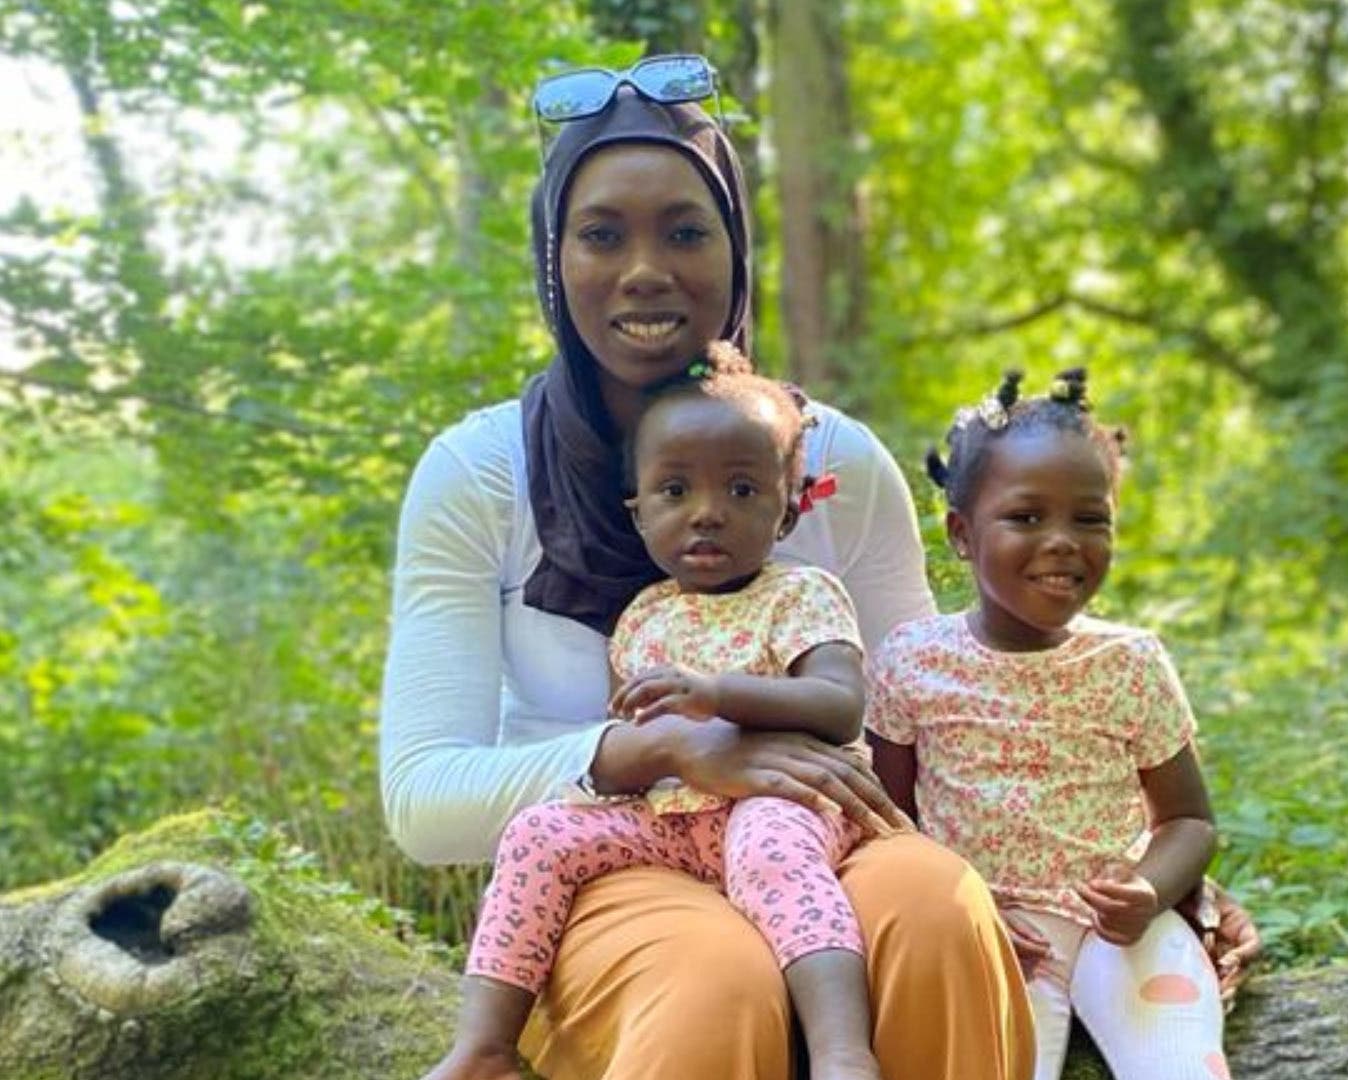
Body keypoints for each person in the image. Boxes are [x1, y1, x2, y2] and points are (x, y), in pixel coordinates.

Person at [379, 58, 1035, 1080]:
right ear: (555, 258)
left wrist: (1127, 891)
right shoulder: (480, 473)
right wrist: (669, 750)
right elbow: (424, 802)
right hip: (611, 867)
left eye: (686, 230)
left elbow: (932, 728)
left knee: (938, 909)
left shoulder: (834, 461)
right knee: (713, 979)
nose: (646, 268)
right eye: (602, 234)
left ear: (737, 250)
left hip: (825, 835)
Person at [423, 343, 887, 1080]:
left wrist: (716, 694)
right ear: (638, 513)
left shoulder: (803, 595)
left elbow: (839, 704)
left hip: (782, 804)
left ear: (788, 509)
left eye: (741, 491)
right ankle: (483, 1045)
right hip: (672, 823)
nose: (706, 514)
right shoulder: (643, 617)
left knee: (771, 849)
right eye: (675, 492)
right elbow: (640, 742)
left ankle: (840, 1053)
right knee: (540, 831)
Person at [867, 369, 1231, 1080]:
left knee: (1182, 1066)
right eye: (1028, 517)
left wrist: (1149, 893)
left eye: (1090, 519)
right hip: (990, 936)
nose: (1064, 541)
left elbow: (1190, 821)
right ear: (962, 535)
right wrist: (958, 914)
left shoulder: (1130, 662)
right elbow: (889, 820)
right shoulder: (912, 661)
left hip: (1121, 932)